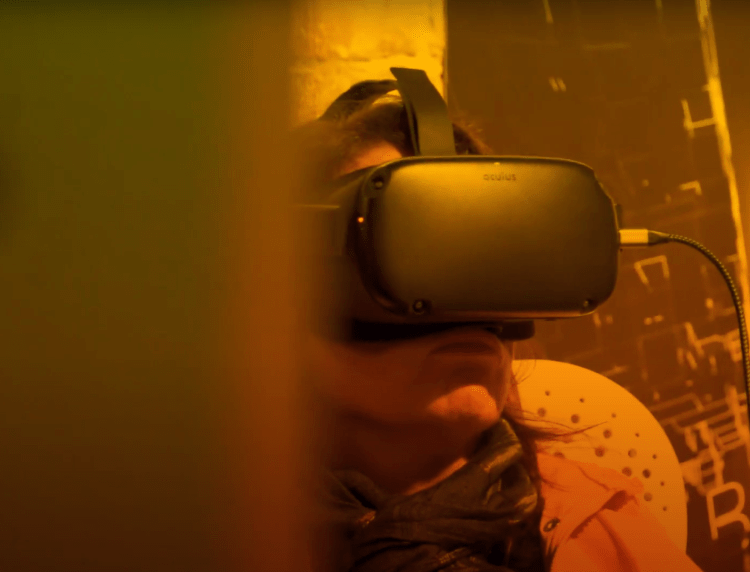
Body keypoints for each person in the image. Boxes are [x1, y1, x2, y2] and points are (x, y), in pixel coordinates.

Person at [296, 79, 703, 572]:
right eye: (416, 245)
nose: (467, 303)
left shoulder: (600, 531)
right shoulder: (223, 537)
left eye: (488, 247)